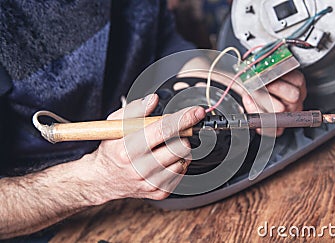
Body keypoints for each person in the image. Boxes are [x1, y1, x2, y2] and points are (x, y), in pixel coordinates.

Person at [0, 0, 306, 239]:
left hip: (145, 197)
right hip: (48, 223)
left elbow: (158, 42)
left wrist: (217, 81)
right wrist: (94, 181)